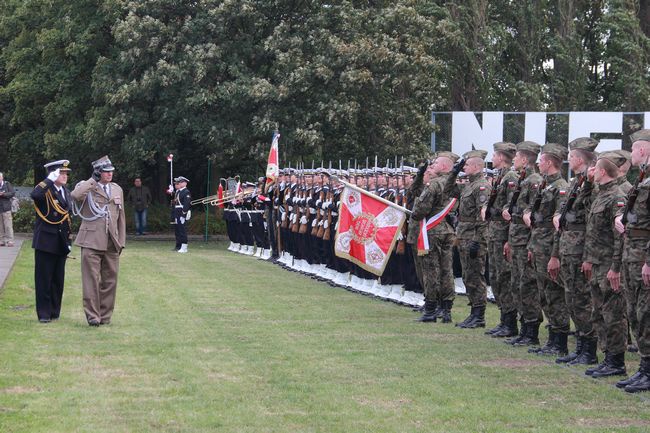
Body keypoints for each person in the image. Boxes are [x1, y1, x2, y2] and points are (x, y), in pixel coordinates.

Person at [550, 137, 599, 365]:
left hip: (581, 250)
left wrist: (589, 256)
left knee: (582, 301)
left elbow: (593, 224)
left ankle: (589, 350)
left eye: (570, 157)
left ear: (579, 159)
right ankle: (580, 347)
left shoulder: (592, 184)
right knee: (572, 299)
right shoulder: (576, 182)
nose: (568, 160)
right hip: (569, 247)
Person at [582, 153, 628, 378]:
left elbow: (619, 236)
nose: (592, 172)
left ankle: (616, 361)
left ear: (601, 171)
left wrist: (615, 267)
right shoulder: (600, 195)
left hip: (609, 264)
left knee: (613, 315)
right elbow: (592, 231)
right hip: (597, 263)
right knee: (598, 313)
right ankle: (606, 356)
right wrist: (589, 258)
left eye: (595, 169)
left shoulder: (616, 197)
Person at [614, 129, 650, 393]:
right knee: (636, 313)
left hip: (643, 256)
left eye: (635, 148)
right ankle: (644, 368)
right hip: (632, 253)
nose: (633, 153)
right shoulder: (642, 180)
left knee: (645, 313)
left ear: (644, 150)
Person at [71, 155, 126, 326]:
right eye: (105, 171)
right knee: (91, 280)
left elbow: (121, 218)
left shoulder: (117, 189)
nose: (109, 174)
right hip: (91, 240)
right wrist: (92, 181)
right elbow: (75, 195)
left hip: (111, 241)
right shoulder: (87, 186)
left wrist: (121, 241)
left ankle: (105, 315)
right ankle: (93, 316)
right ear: (97, 173)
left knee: (110, 280)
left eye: (111, 171)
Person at [408, 152, 462, 323]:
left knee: (431, 270)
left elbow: (419, 210)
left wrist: (417, 212)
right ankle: (446, 309)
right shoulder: (454, 184)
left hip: (432, 231)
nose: (433, 165)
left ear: (445, 166)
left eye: (436, 163)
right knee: (447, 270)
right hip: (447, 230)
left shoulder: (435, 184)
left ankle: (431, 309)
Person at [482, 142, 519, 337]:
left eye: (495, 155)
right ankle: (504, 318)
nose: (493, 159)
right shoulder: (501, 176)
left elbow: (510, 210)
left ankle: (510, 322)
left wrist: (508, 240)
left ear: (502, 157)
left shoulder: (511, 177)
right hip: (494, 233)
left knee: (504, 278)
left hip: (502, 234)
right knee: (496, 277)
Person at [31, 160, 73, 323]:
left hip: (61, 241)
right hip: (46, 241)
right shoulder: (45, 191)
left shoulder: (65, 191)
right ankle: (44, 313)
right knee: (44, 279)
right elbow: (34, 195)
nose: (64, 176)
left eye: (66, 174)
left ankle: (55, 311)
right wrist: (48, 181)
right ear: (52, 174)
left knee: (57, 280)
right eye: (61, 173)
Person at [455, 150, 491, 329]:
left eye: (467, 165)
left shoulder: (481, 186)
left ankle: (479, 315)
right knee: (467, 275)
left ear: (477, 166)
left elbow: (482, 217)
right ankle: (473, 312)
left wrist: (478, 240)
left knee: (476, 275)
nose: (464, 168)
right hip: (464, 235)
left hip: (473, 236)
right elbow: (448, 190)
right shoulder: (469, 185)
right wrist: (454, 172)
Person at [173, 176, 191, 253]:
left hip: (182, 212)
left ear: (185, 183)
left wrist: (183, 215)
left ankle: (184, 246)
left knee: (182, 230)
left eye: (180, 182)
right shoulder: (179, 191)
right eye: (179, 182)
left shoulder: (186, 192)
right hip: (177, 212)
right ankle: (181, 246)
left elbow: (186, 204)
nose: (179, 183)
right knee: (179, 230)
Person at [0, 172, 16, 247]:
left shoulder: (7, 184)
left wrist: (3, 194)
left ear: (2, 178)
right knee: (0, 226)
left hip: (6, 208)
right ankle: (2, 241)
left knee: (8, 225)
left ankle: (10, 241)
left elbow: (12, 193)